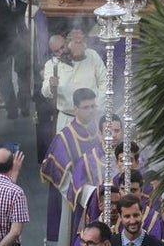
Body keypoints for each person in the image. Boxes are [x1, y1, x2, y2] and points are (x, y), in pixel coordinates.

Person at [42, 88, 102, 246]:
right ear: (75, 109)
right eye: (86, 107)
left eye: (93, 107)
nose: (91, 111)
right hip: (77, 200)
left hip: (102, 196)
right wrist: (86, 194)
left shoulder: (101, 131)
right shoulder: (64, 137)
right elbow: (60, 176)